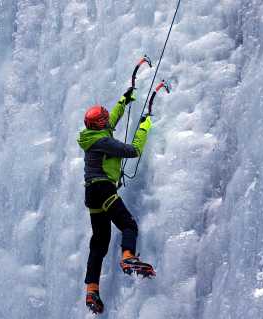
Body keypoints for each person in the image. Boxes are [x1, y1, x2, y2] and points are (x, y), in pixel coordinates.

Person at [77, 87, 155, 314]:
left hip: (91, 194)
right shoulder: (104, 141)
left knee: (100, 242)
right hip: (103, 189)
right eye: (103, 119)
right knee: (128, 224)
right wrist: (145, 125)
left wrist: (124, 99)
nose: (106, 121)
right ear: (98, 124)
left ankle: (92, 289)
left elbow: (110, 120)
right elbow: (133, 150)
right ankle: (128, 257)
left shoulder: (91, 136)